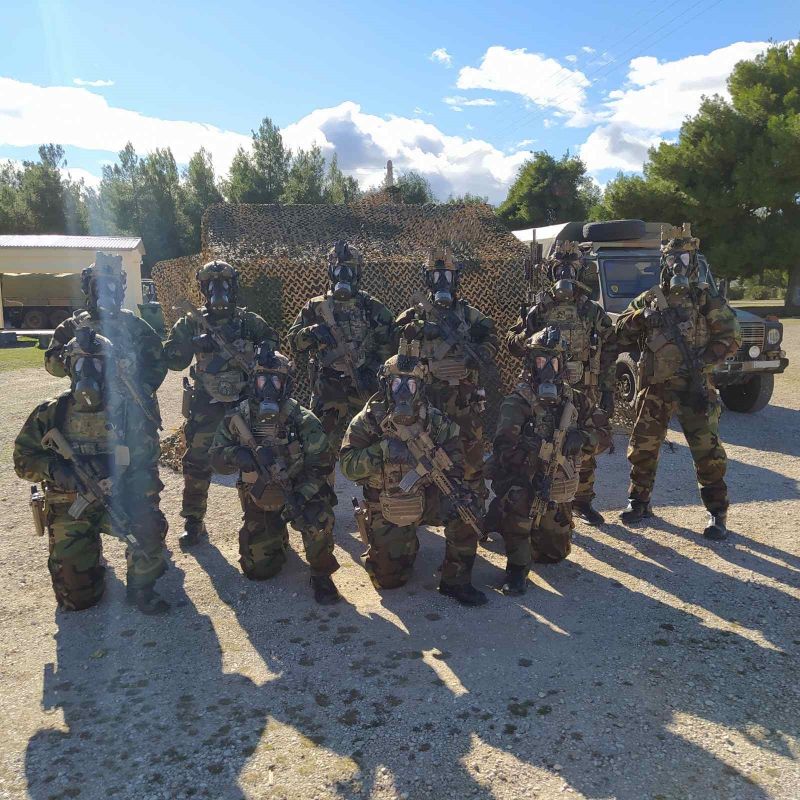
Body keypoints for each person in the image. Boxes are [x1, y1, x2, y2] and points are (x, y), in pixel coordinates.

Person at [15, 329, 169, 613]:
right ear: (68, 367)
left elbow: (146, 466)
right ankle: (88, 561)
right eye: (81, 363)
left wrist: (134, 498)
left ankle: (141, 587)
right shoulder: (52, 412)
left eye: (98, 363)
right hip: (71, 506)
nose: (89, 371)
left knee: (149, 527)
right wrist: (55, 470)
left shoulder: (129, 411)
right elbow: (23, 460)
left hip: (117, 500)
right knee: (77, 600)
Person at [614, 224, 742, 539]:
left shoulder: (705, 298)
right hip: (655, 386)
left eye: (683, 259)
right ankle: (638, 501)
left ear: (693, 261)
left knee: (707, 451)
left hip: (694, 385)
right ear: (664, 263)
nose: (677, 265)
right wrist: (641, 317)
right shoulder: (650, 298)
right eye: (672, 259)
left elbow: (731, 336)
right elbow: (619, 331)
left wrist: (703, 361)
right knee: (643, 446)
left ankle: (717, 513)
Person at [340, 350, 487, 606]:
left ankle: (456, 581)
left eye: (410, 384)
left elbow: (456, 458)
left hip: (428, 497)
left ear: (420, 387)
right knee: (389, 580)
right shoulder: (368, 420)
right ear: (386, 385)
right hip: (387, 503)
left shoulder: (434, 419)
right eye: (397, 383)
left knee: (466, 508)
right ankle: (396, 542)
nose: (403, 390)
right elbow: (348, 466)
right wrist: (383, 451)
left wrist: (440, 469)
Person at [44, 252, 168, 535]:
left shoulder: (135, 326)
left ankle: (149, 525)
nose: (106, 292)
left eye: (112, 285)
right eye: (100, 285)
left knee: (142, 471)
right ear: (88, 288)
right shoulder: (73, 327)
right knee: (88, 471)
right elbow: (51, 364)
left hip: (133, 414)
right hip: (87, 416)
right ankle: (83, 537)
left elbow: (157, 362)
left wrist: (140, 389)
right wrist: (75, 357)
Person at [209, 348, 341, 604]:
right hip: (262, 496)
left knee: (317, 522)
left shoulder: (302, 418)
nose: (268, 386)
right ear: (253, 382)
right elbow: (215, 460)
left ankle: (321, 572)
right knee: (258, 570)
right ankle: (276, 537)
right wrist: (236, 454)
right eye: (262, 380)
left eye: (275, 380)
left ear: (285, 384)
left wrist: (301, 496)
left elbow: (322, 464)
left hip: (299, 489)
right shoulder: (239, 416)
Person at [163, 260, 279, 548]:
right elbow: (173, 360)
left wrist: (263, 349)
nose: (219, 290)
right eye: (212, 284)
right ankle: (193, 521)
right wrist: (192, 344)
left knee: (253, 457)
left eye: (224, 283)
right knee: (197, 461)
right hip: (207, 405)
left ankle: (258, 517)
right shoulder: (190, 321)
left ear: (234, 286)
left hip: (244, 402)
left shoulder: (248, 321)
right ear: (203, 288)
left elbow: (271, 341)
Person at [489, 326, 610, 595]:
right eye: (541, 361)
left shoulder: (575, 399)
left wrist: (583, 439)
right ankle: (516, 567)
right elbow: (502, 450)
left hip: (557, 484)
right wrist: (530, 452)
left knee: (554, 554)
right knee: (519, 503)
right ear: (531, 364)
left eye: (552, 362)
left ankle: (512, 524)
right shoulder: (517, 402)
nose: (546, 368)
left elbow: (605, 434)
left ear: (562, 364)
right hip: (522, 480)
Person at [505, 240, 615, 525]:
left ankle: (582, 501)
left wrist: (607, 388)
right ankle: (541, 497)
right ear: (550, 272)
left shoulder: (591, 311)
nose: (564, 274)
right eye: (559, 269)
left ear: (579, 272)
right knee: (541, 442)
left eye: (570, 268)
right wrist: (528, 327)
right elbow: (513, 345)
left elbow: (609, 349)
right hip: (542, 388)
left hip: (582, 387)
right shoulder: (538, 308)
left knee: (582, 445)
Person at [395, 247, 498, 510]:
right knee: (423, 454)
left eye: (448, 276)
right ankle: (425, 508)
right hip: (426, 399)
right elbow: (395, 341)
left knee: (471, 456)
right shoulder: (416, 314)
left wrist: (483, 352)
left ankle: (474, 507)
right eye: (436, 275)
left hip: (463, 399)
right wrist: (419, 329)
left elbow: (491, 335)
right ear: (427, 279)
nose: (443, 281)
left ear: (456, 279)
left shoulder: (468, 314)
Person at [287, 241, 395, 472]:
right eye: (338, 269)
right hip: (328, 388)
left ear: (358, 272)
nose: (343, 275)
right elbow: (294, 342)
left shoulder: (372, 307)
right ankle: (322, 493)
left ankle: (373, 493)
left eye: (349, 270)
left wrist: (374, 371)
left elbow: (390, 347)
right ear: (330, 271)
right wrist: (312, 332)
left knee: (372, 446)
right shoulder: (316, 306)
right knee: (319, 450)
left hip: (364, 387)